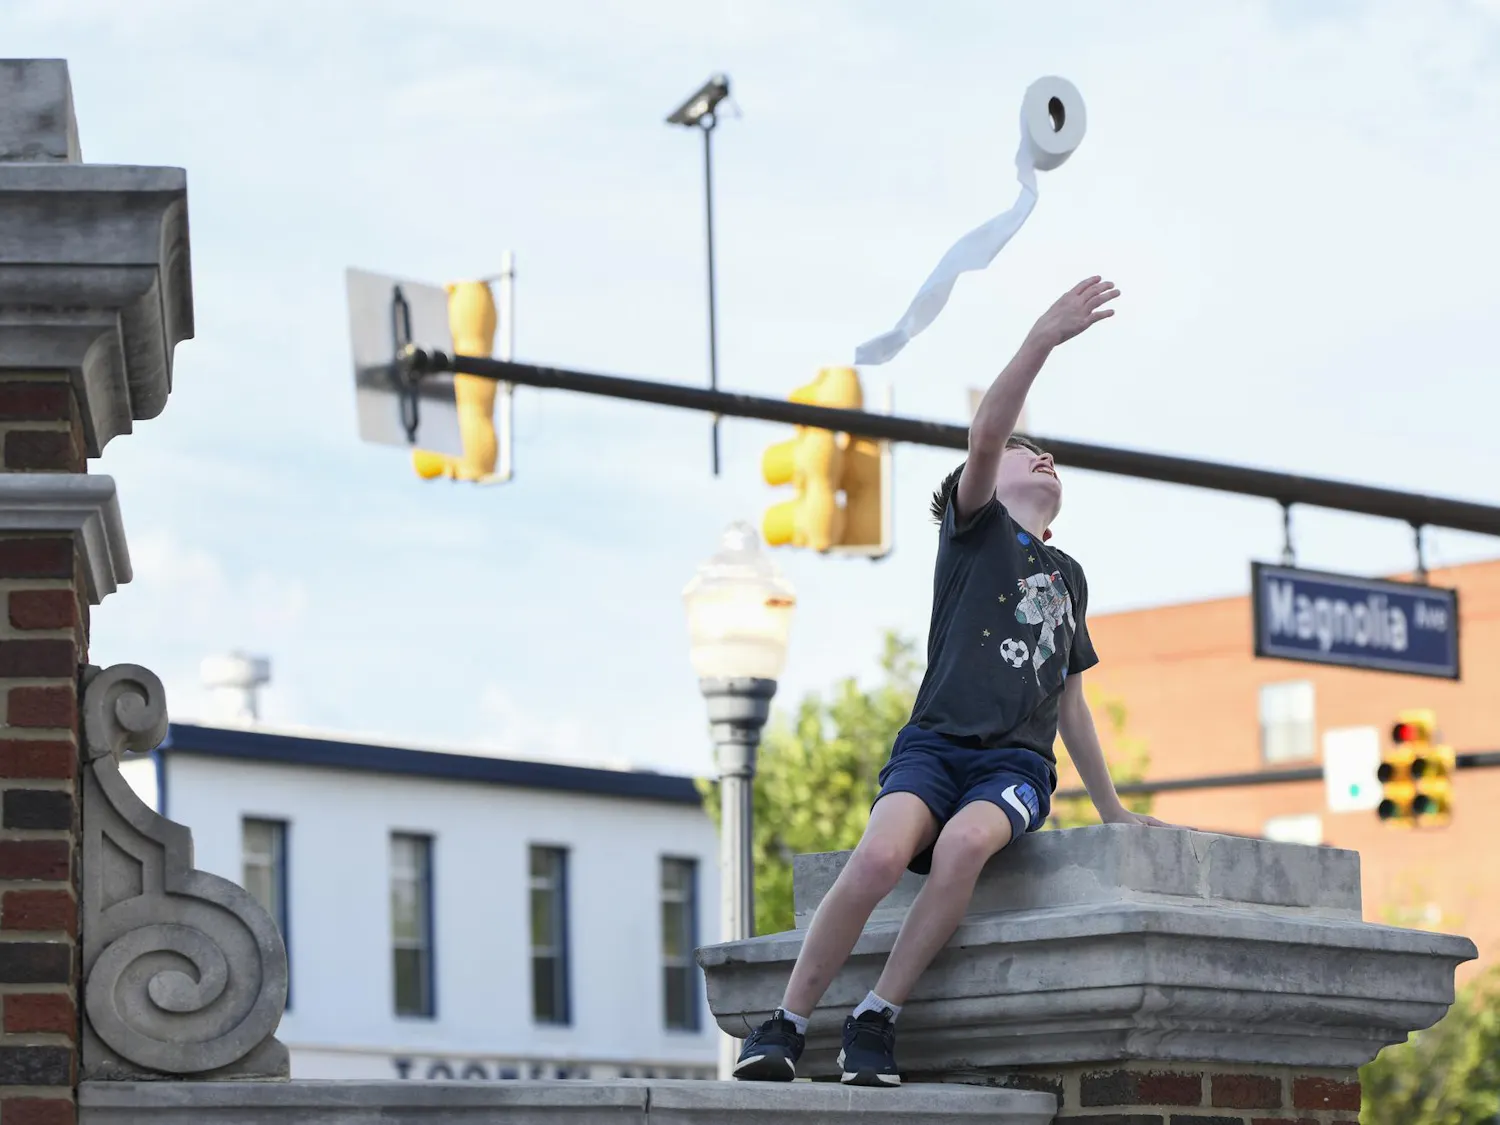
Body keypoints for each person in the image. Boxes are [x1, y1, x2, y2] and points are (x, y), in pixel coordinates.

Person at [733, 276, 1172, 1088]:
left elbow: (1071, 702)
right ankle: (786, 1022)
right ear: (983, 482)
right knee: (876, 858)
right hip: (933, 746)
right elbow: (988, 431)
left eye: (1048, 457)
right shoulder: (974, 535)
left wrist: (1111, 809)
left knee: (968, 841)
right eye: (1022, 450)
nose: (1041, 454)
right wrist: (1042, 336)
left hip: (1013, 769)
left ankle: (877, 1015)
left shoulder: (1068, 576)